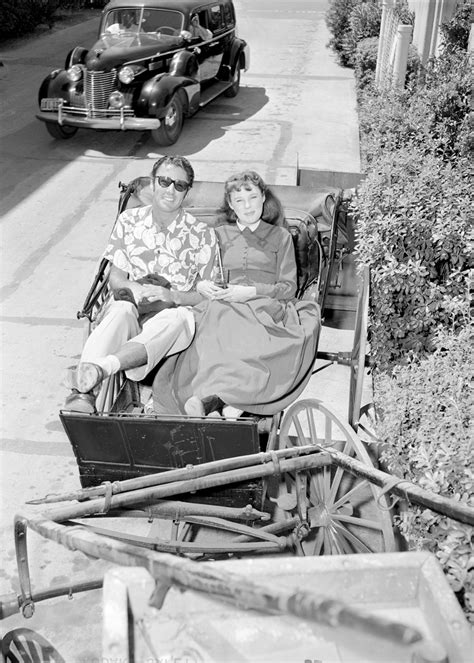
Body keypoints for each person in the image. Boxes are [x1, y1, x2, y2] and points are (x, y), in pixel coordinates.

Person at [151, 170, 321, 418]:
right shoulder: (218, 235)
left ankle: (223, 405)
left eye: (252, 197)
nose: (248, 206)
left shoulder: (281, 237)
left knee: (243, 334)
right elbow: (196, 272)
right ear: (231, 205)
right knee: (213, 324)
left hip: (265, 306)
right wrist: (201, 284)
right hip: (222, 303)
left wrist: (250, 292)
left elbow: (288, 287)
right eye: (239, 201)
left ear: (263, 197)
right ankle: (214, 403)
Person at [65, 156, 217, 413]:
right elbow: (115, 277)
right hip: (132, 310)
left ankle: (100, 369)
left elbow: (208, 296)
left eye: (179, 185)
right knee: (120, 310)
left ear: (187, 192)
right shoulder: (129, 221)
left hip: (172, 321)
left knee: (177, 317)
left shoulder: (203, 234)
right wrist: (132, 289)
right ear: (153, 183)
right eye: (165, 181)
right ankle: (84, 393)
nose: (171, 190)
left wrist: (172, 296)